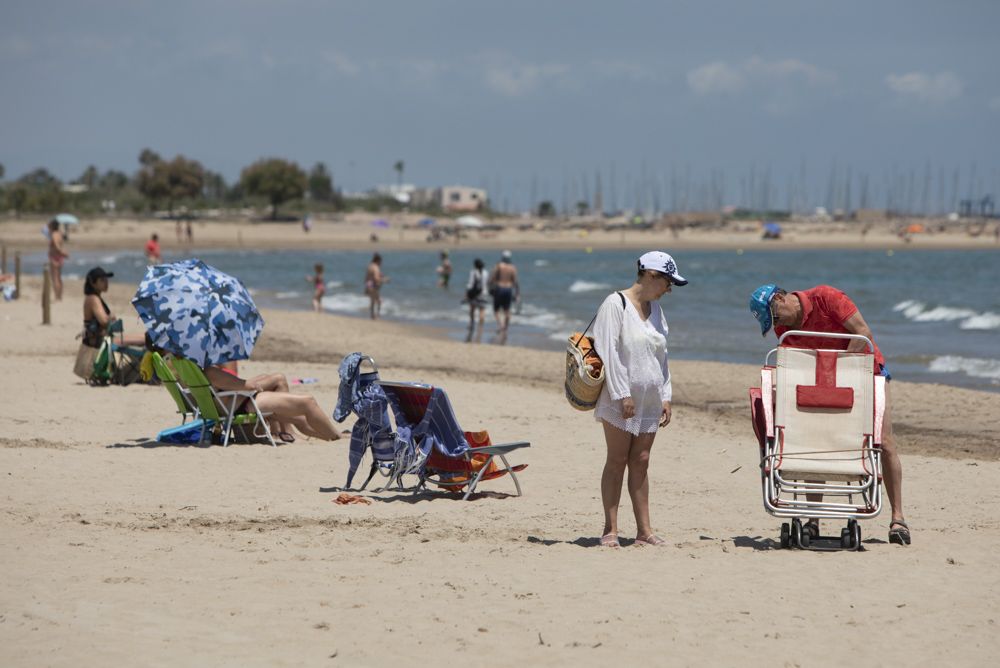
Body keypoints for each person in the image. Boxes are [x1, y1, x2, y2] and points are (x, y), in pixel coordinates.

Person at [749, 283, 910, 546]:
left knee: (885, 441)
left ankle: (898, 518)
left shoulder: (827, 297)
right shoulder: (785, 330)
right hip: (820, 384)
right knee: (815, 441)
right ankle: (813, 520)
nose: (777, 324)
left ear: (780, 298)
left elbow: (862, 334)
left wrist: (838, 372)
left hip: (866, 371)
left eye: (775, 317)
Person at [592, 251, 688, 548]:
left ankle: (644, 531)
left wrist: (667, 396)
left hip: (650, 399)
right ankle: (610, 529)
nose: (669, 288)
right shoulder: (615, 303)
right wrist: (622, 393)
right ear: (651, 275)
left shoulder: (657, 309)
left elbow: (662, 357)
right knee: (618, 460)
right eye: (668, 281)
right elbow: (607, 350)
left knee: (642, 461)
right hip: (621, 397)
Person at [201, 364, 343, 443]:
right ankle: (336, 439)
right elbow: (247, 387)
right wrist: (250, 384)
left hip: (233, 403)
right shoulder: (211, 371)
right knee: (308, 402)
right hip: (242, 405)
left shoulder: (196, 369)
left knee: (299, 419)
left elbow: (234, 385)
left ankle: (333, 436)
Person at [82, 267, 146, 348]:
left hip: (103, 339)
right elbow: (104, 321)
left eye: (106, 280)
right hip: (99, 342)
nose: (106, 283)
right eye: (102, 280)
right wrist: (111, 316)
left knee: (145, 336)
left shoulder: (94, 297)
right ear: (92, 283)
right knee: (145, 338)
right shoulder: (93, 298)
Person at [488, 250, 520, 338]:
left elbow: (492, 278)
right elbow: (516, 282)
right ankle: (505, 328)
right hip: (509, 289)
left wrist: (489, 286)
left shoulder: (499, 266)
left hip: (499, 288)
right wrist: (517, 293)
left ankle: (500, 325)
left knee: (496, 310)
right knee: (507, 310)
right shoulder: (513, 268)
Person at [463, 258, 490, 342]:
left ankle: (472, 324)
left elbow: (470, 284)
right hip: (484, 293)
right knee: (482, 310)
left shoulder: (473, 272)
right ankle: (480, 327)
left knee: (472, 309)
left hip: (474, 294)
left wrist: (466, 294)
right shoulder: (486, 273)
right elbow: (487, 283)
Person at [47, 220, 69, 301]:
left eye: (49, 226)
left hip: (55, 258)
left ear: (52, 227)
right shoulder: (59, 234)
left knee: (55, 278)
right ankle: (59, 296)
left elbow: (57, 247)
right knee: (59, 277)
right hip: (59, 258)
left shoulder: (54, 235)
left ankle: (57, 297)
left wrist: (63, 253)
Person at [364, 253, 388, 320]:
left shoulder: (370, 266)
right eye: (380, 261)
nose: (381, 263)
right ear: (378, 261)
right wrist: (384, 280)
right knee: (379, 301)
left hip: (368, 284)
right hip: (373, 285)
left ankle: (372, 315)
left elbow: (367, 277)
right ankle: (377, 315)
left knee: (373, 300)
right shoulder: (376, 267)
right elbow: (376, 278)